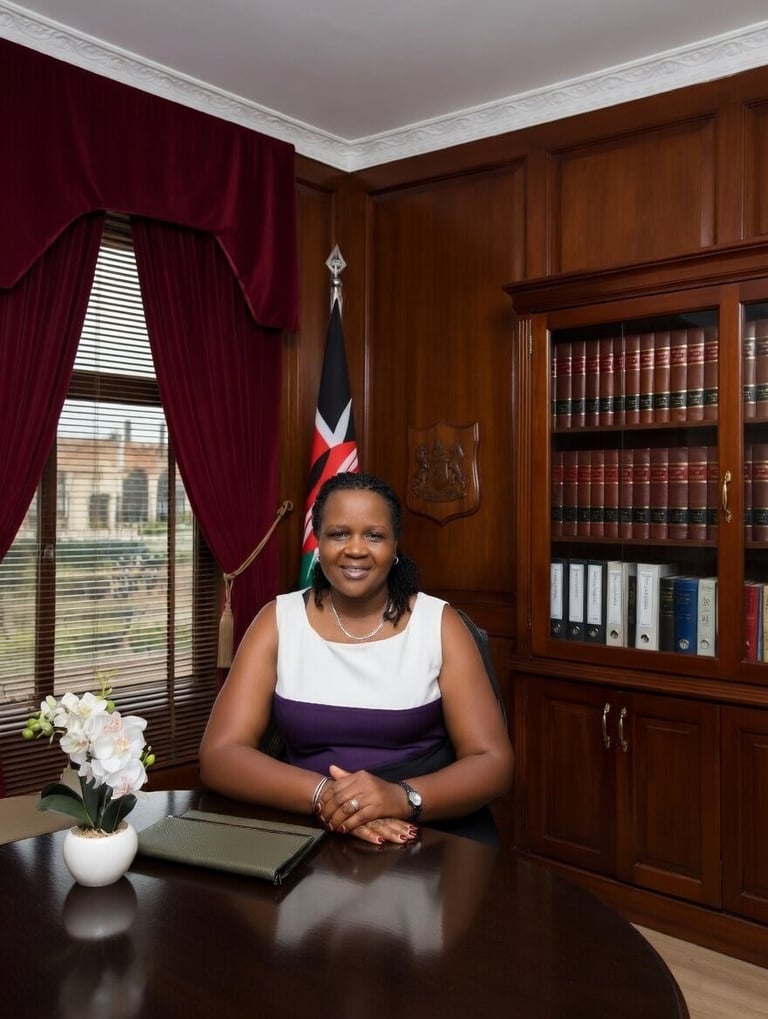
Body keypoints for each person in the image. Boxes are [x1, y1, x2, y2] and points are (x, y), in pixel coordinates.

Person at [199, 472, 514, 845]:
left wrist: (401, 798)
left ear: (395, 544)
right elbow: (219, 755)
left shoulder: (440, 624)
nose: (356, 549)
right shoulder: (277, 620)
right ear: (319, 541)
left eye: (374, 535)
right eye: (339, 533)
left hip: (424, 832)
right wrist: (326, 796)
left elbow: (492, 762)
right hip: (308, 828)